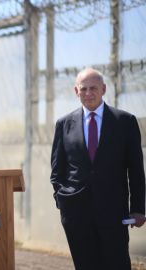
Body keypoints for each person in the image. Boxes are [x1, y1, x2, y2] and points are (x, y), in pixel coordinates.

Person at [50, 68, 145, 270]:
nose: (88, 93)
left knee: (117, 263)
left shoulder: (125, 122)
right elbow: (57, 169)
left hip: (113, 211)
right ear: (76, 91)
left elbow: (136, 169)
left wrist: (138, 208)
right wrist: (63, 201)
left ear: (103, 89)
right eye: (83, 89)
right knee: (85, 265)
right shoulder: (64, 124)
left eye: (93, 88)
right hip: (76, 213)